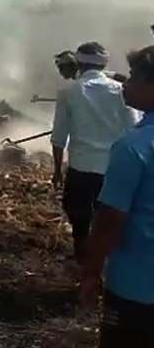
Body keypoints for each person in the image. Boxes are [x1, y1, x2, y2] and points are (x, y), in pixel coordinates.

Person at [79, 45, 154, 347]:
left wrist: (91, 273)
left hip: (137, 288)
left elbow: (110, 220)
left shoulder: (134, 146)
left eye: (135, 77)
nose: (126, 83)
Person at [50, 42, 139, 268]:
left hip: (81, 168)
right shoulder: (121, 90)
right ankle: (107, 266)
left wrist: (57, 171)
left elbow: (59, 137)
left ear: (79, 63)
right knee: (111, 221)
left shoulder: (68, 92)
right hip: (113, 169)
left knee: (80, 222)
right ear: (105, 63)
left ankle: (86, 269)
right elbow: (134, 128)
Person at [55, 50, 128, 82]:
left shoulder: (87, 78)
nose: (60, 71)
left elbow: (120, 77)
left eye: (62, 67)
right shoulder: (78, 81)